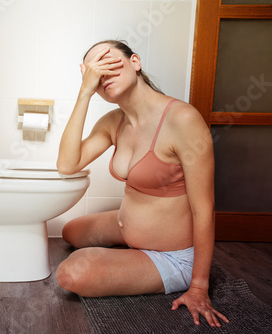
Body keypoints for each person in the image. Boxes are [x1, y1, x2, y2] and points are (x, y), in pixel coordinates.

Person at [55, 40, 229, 328]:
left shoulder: (182, 120)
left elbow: (204, 208)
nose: (103, 76)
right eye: (95, 74)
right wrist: (84, 93)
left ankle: (169, 269)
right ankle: (132, 244)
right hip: (132, 227)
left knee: (72, 273)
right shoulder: (114, 121)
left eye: (109, 63)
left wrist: (199, 286)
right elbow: (67, 164)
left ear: (135, 62)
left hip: (173, 254)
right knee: (70, 231)